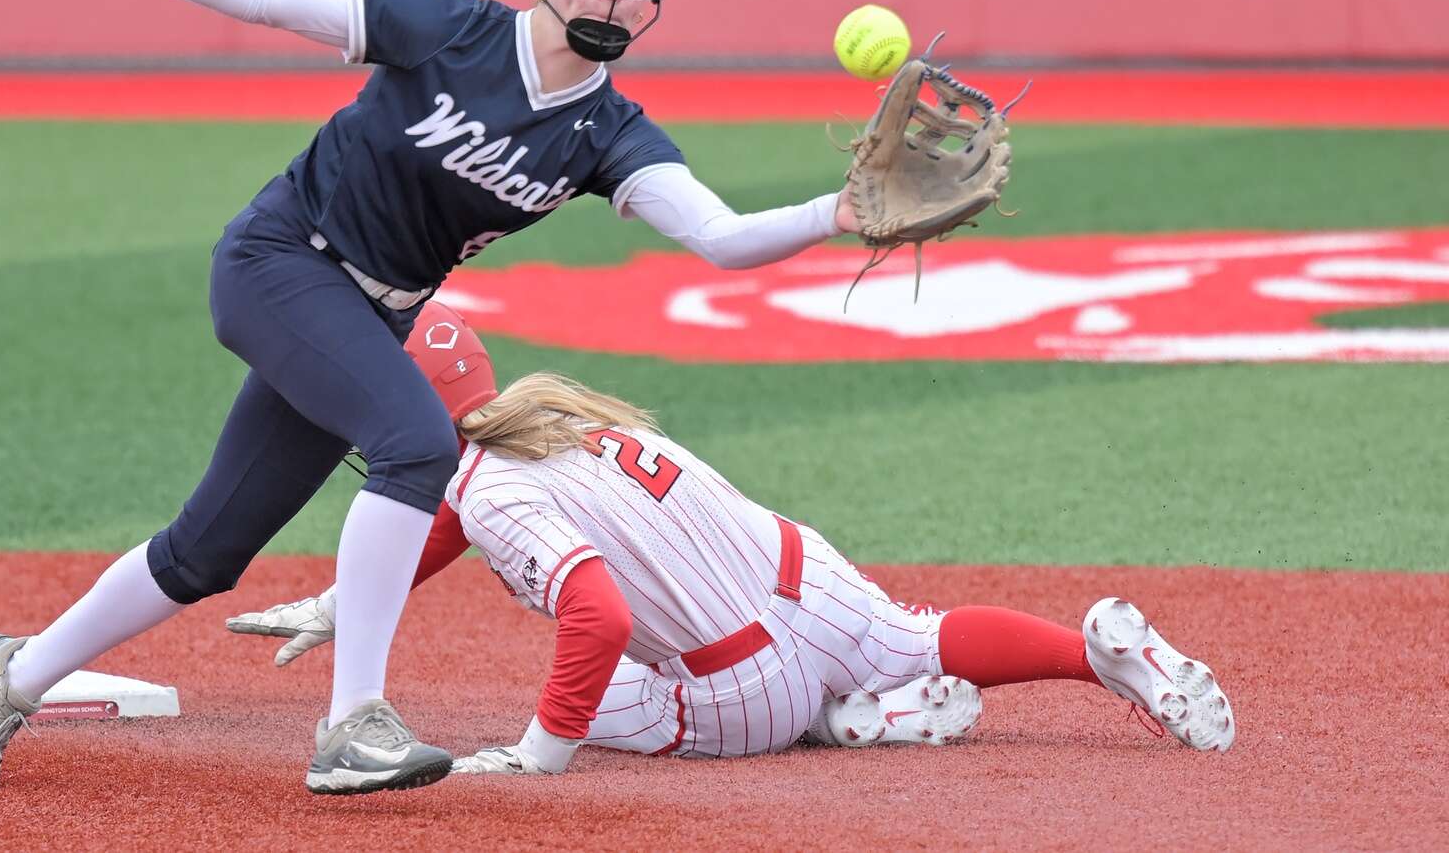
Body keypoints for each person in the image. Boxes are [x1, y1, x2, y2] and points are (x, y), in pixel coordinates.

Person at [0, 0, 863, 795]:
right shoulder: (451, 30)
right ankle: (352, 723)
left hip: (373, 314)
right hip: (280, 260)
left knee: (205, 553)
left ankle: (10, 680)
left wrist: (839, 210)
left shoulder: (607, 131)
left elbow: (721, 236)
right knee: (417, 444)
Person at [228, 307, 1237, 770]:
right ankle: (1093, 656)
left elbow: (595, 615)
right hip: (816, 586)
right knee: (920, 637)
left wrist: (539, 752)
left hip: (738, 688)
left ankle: (837, 723)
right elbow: (448, 514)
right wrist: (347, 600)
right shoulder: (555, 410)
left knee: (596, 701)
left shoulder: (490, 488)